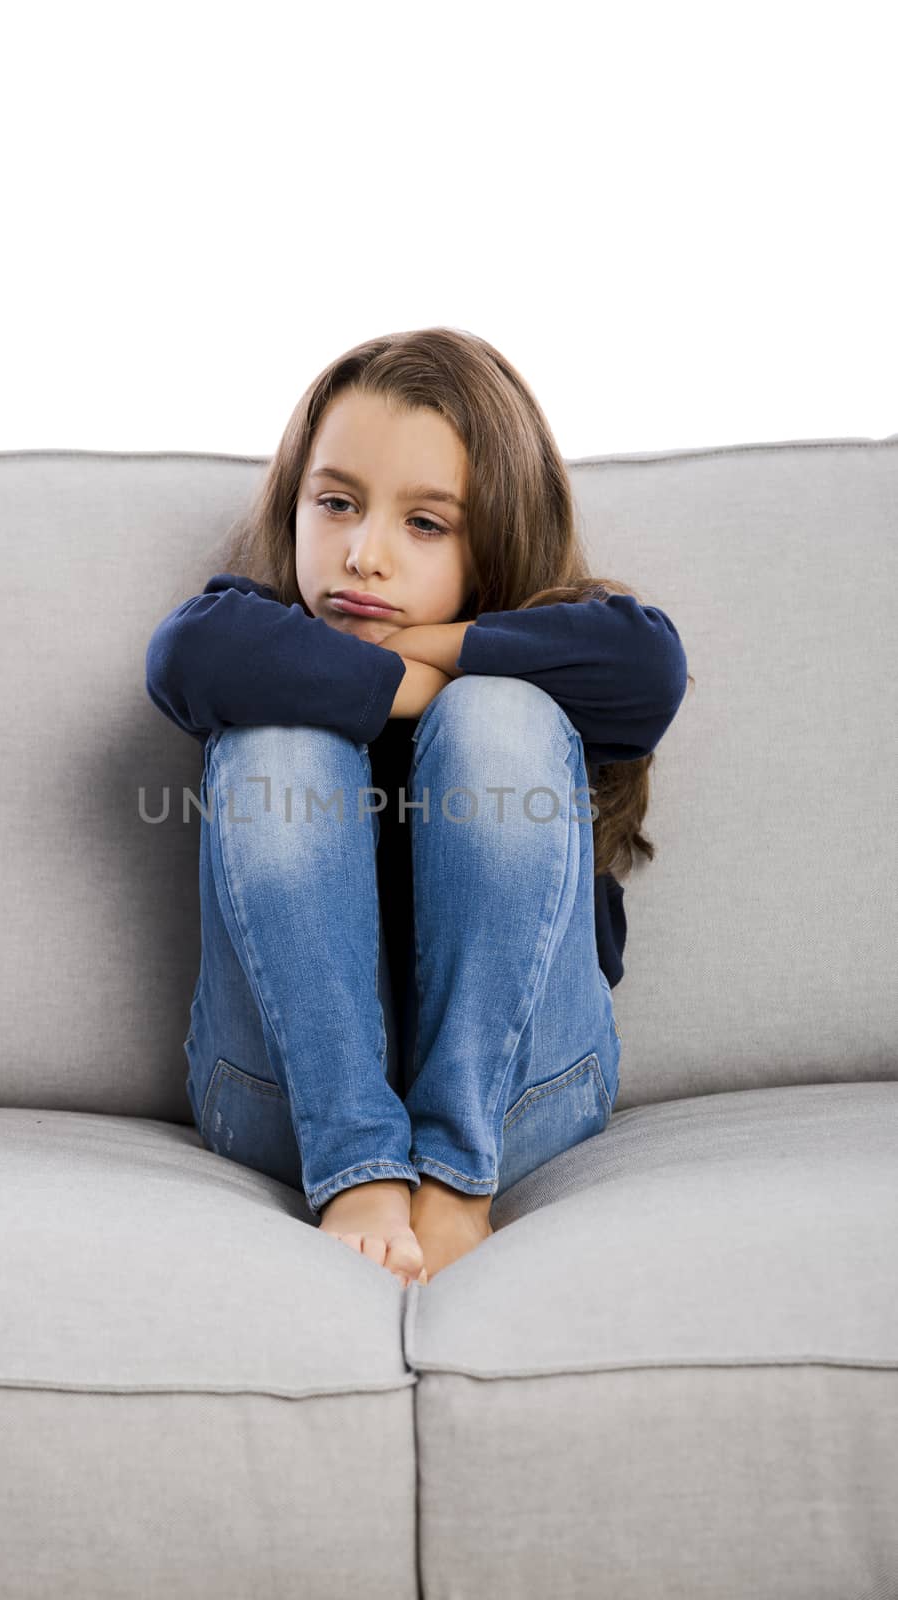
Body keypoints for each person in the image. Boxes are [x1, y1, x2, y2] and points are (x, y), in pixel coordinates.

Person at [145, 326, 691, 1287]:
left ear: (495, 539)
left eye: (424, 524)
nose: (363, 556)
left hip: (529, 1089)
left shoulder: (569, 641)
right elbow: (187, 655)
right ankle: (354, 1164)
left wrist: (451, 654)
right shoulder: (246, 630)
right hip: (276, 1095)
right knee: (281, 735)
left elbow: (648, 669)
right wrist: (398, 684)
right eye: (337, 504)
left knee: (499, 717)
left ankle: (454, 1173)